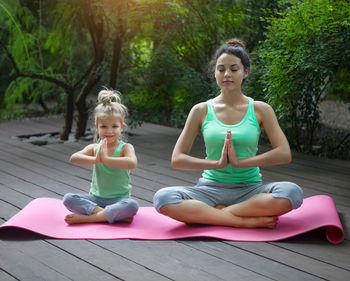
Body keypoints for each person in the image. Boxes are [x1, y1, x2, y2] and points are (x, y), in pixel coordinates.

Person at [153, 38, 303, 228]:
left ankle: (219, 213)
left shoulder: (260, 109)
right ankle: (242, 221)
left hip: (250, 189)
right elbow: (177, 159)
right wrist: (216, 163)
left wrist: (242, 163)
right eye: (221, 69)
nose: (226, 74)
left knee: (292, 192)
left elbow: (284, 153)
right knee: (163, 198)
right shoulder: (201, 110)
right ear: (214, 72)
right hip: (209, 189)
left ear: (245, 72)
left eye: (234, 69)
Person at [63, 89, 139, 225]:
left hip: (119, 199)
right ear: (96, 127)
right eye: (104, 126)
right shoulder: (94, 148)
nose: (109, 131)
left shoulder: (125, 147)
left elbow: (132, 163)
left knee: (132, 205)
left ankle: (90, 218)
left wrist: (107, 159)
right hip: (96, 199)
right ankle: (109, 214)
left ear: (121, 127)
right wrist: (96, 159)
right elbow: (74, 158)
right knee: (68, 199)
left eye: (114, 126)